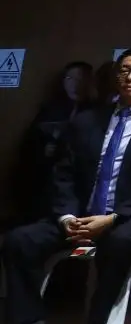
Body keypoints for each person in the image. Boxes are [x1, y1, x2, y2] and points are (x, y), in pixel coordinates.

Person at [1, 48, 131, 324]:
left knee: (119, 242)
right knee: (19, 241)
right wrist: (67, 217)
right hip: (78, 217)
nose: (130, 77)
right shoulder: (87, 120)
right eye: (124, 70)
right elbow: (64, 175)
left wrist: (111, 218)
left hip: (129, 218)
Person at [16, 61, 97, 221]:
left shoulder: (96, 112)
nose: (75, 85)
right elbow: (30, 147)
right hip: (45, 181)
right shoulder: (50, 110)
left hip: (80, 184)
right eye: (70, 79)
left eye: (81, 79)